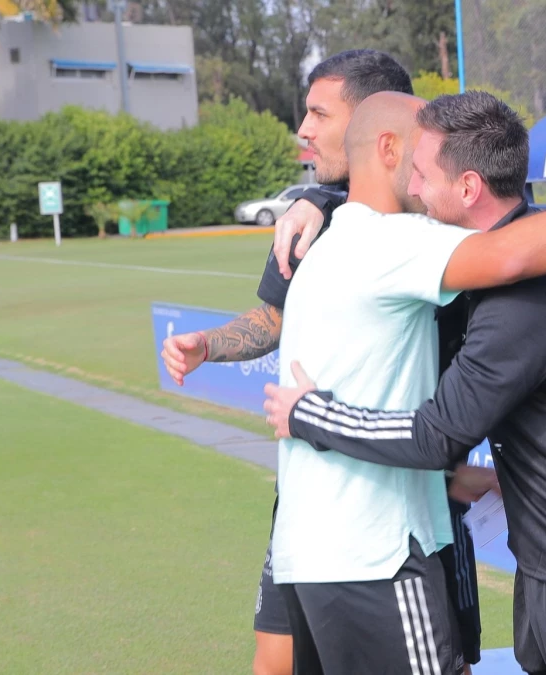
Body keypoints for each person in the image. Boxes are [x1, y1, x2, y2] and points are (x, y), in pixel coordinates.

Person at [268, 90, 546, 674]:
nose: (415, 189)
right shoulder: (512, 249)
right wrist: (317, 199)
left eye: (423, 175)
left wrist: (310, 415)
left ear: (470, 188)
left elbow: (433, 437)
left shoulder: (524, 301)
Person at [159, 49, 495, 675]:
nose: (303, 130)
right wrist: (210, 344)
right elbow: (274, 320)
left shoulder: (431, 213)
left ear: (376, 126)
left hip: (408, 500)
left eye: (319, 113)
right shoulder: (311, 223)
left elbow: (502, 233)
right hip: (317, 505)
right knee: (277, 660)